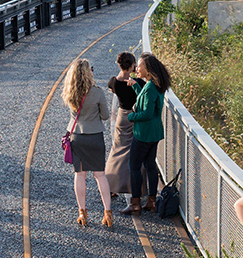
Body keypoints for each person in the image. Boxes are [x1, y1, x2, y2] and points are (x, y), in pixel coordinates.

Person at [119, 53, 170, 215]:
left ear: (148, 69)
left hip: (143, 133)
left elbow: (147, 113)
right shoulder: (154, 85)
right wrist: (135, 86)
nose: (136, 68)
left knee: (134, 166)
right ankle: (151, 201)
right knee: (150, 165)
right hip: (154, 132)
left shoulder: (150, 88)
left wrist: (131, 116)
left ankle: (135, 203)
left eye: (139, 65)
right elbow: (147, 100)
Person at [62, 58, 111, 226]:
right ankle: (108, 213)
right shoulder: (97, 92)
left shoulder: (70, 92)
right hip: (95, 136)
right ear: (88, 73)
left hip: (77, 136)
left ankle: (82, 213)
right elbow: (105, 116)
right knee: (100, 175)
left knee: (80, 175)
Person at [103, 52, 137, 200]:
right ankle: (130, 186)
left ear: (119, 65)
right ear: (133, 65)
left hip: (121, 117)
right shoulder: (136, 83)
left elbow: (111, 86)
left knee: (117, 150)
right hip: (134, 117)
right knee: (131, 152)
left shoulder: (114, 82)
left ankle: (110, 184)